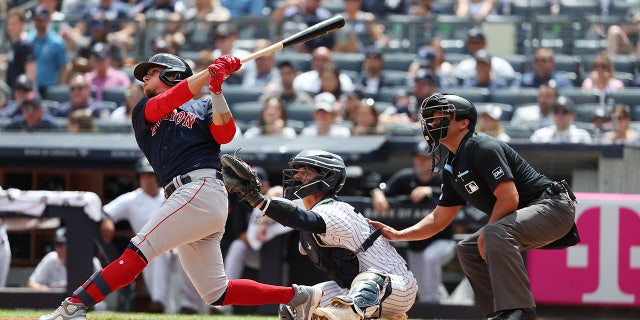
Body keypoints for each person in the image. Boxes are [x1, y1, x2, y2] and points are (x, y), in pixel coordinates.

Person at [39, 52, 322, 320]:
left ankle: (74, 306)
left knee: (137, 251)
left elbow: (226, 133)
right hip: (189, 197)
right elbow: (169, 101)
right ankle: (298, 296)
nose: (144, 80)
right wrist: (207, 75)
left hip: (199, 188)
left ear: (173, 75)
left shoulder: (204, 105)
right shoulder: (143, 110)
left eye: (151, 73)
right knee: (216, 291)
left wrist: (217, 89)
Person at [369, 93, 578, 320]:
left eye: (441, 117)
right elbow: (438, 220)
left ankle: (520, 312)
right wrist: (399, 234)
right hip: (527, 216)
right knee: (467, 250)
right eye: (431, 118)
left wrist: (487, 234)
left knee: (492, 232)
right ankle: (499, 313)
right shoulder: (451, 166)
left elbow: (509, 198)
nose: (433, 123)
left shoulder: (483, 147)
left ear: (463, 122)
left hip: (553, 207)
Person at [223, 149, 418, 320]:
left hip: (395, 285)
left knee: (361, 288)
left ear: (326, 177)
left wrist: (257, 199)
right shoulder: (313, 209)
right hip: (351, 291)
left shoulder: (335, 209)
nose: (297, 176)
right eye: (297, 171)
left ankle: (367, 311)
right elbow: (291, 216)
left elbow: (305, 220)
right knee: (294, 308)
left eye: (305, 171)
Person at [100, 156, 204, 314]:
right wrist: (106, 221)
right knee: (156, 252)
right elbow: (104, 212)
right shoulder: (131, 199)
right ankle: (158, 303)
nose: (148, 179)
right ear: (138, 178)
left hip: (175, 244)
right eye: (144, 176)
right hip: (148, 248)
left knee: (187, 249)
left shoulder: (171, 193)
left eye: (151, 175)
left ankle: (188, 305)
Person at [370, 140, 456, 303]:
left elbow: (459, 195)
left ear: (435, 159)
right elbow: (382, 189)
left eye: (425, 157)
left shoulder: (444, 177)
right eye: (417, 157)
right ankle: (431, 308)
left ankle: (436, 303)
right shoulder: (405, 177)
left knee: (430, 257)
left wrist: (431, 190)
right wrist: (377, 192)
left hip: (443, 240)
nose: (420, 161)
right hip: (415, 242)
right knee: (421, 285)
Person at [28, 228, 103, 291]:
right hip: (59, 303)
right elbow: (31, 284)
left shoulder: (91, 261)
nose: (62, 248)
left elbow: (103, 287)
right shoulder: (51, 258)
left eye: (66, 244)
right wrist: (52, 290)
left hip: (87, 302)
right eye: (58, 244)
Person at [27, 5, 68, 98]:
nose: (38, 22)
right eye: (36, 19)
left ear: (48, 19)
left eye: (41, 20)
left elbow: (63, 68)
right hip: (30, 87)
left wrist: (60, 89)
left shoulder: (57, 42)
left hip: (50, 88)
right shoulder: (28, 40)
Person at [4, 8, 36, 91]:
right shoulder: (15, 44)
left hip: (21, 95)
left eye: (14, 24)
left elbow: (31, 75)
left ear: (22, 24)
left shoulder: (25, 45)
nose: (10, 27)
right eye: (9, 24)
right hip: (12, 92)